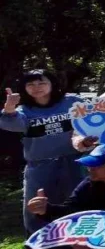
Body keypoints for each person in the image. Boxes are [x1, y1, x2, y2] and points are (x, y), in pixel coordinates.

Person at [2, 70, 83, 234]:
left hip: (74, 159)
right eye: (30, 84)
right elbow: (12, 124)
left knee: (76, 198)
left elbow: (91, 120)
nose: (36, 87)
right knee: (36, 201)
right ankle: (37, 239)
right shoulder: (24, 111)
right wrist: (9, 108)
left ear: (52, 84)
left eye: (41, 83)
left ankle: (77, 234)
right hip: (40, 164)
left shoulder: (72, 102)